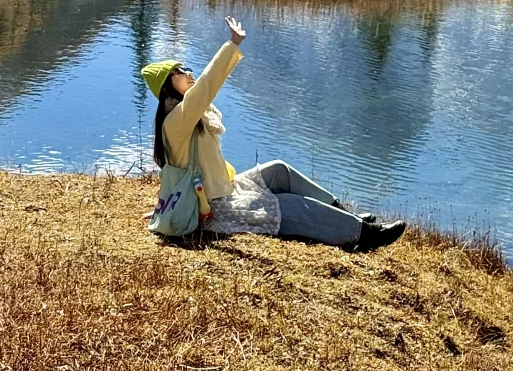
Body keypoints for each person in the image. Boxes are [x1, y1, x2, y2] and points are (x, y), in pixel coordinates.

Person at [142, 17, 405, 251]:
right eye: (179, 72)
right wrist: (232, 44)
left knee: (280, 170)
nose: (188, 73)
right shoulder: (176, 121)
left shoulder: (190, 116)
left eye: (186, 68)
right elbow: (207, 86)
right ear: (167, 87)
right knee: (287, 205)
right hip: (213, 207)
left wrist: (163, 207)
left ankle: (347, 215)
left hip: (225, 189)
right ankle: (363, 235)